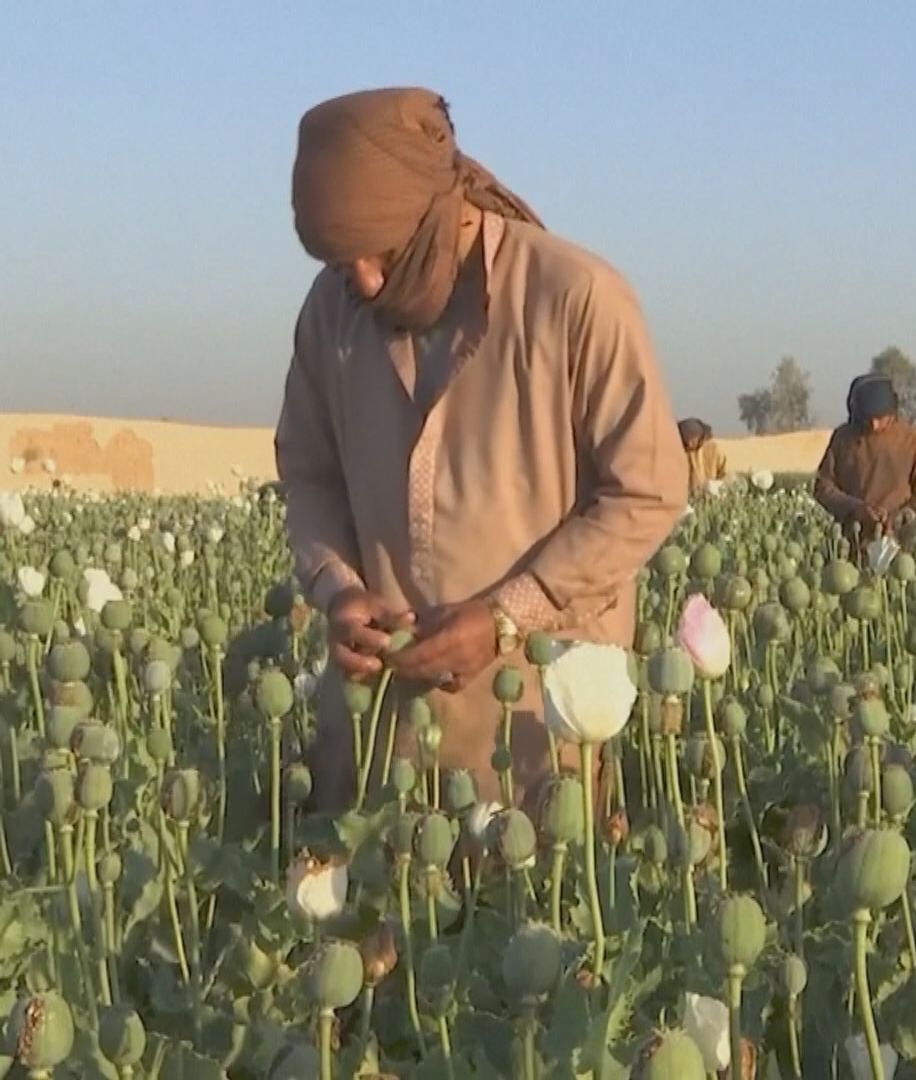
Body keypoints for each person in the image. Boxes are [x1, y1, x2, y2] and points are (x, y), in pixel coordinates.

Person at [275, 87, 688, 811]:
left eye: (386, 253)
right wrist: (337, 590)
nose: (365, 282)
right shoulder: (330, 314)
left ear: (439, 209)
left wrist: (506, 616)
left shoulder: (575, 298)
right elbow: (309, 475)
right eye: (344, 265)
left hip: (533, 731)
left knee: (526, 913)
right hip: (383, 741)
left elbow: (647, 492)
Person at [812, 374, 916, 556]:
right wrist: (856, 508)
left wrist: (898, 518)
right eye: (867, 417)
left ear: (893, 412)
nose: (874, 424)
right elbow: (823, 487)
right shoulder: (843, 439)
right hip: (851, 545)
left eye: (881, 418)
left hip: (900, 546)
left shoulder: (913, 441)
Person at [680, 419, 727, 497]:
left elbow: (726, 474)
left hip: (712, 497)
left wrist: (717, 485)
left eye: (693, 440)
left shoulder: (713, 447)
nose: (690, 444)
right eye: (687, 442)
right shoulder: (677, 450)